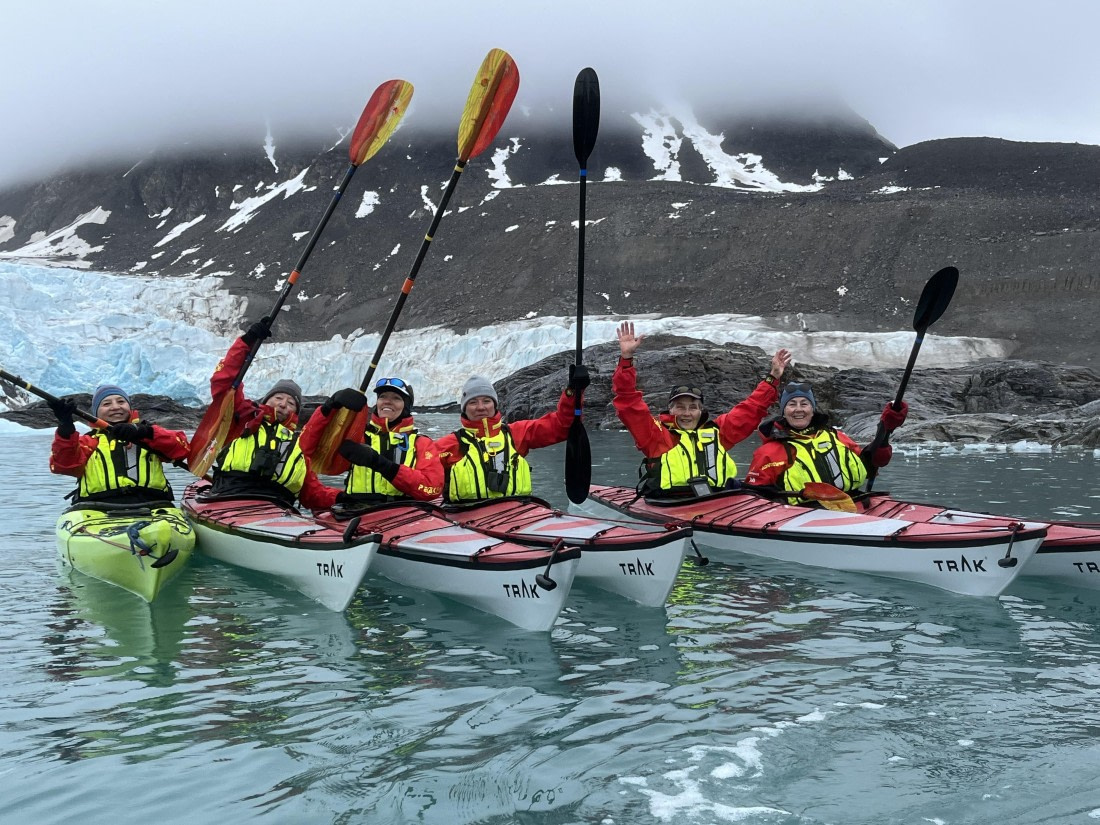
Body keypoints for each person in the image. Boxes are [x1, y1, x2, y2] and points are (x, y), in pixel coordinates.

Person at [613, 320, 791, 496]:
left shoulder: (717, 433)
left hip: (717, 501)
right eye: (680, 407)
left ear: (700, 411)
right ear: (670, 410)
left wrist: (773, 377)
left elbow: (751, 409)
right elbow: (628, 402)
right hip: (671, 503)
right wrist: (626, 360)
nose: (687, 413)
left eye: (693, 407)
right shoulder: (655, 435)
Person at [202, 317, 337, 510]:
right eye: (278, 398)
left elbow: (313, 494)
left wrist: (347, 498)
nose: (283, 404)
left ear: (296, 412)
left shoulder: (297, 447)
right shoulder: (243, 418)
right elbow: (224, 382)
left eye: (291, 403)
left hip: (275, 507)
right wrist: (246, 342)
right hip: (229, 497)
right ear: (266, 400)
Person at [434, 369, 588, 503]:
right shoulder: (448, 445)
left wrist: (573, 392)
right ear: (464, 408)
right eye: (473, 402)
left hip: (515, 513)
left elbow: (563, 426)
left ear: (494, 405)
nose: (481, 407)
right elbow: (424, 476)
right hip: (465, 515)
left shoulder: (517, 433)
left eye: (486, 401)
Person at [744, 381, 907, 503]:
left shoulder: (836, 437)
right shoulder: (769, 452)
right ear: (783, 412)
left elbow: (871, 465)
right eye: (791, 404)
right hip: (800, 515)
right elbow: (756, 498)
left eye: (804, 404)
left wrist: (885, 429)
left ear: (812, 410)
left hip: (851, 505)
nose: (798, 409)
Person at [299, 377, 443, 505]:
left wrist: (382, 465)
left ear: (406, 406)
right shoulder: (357, 436)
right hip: (358, 511)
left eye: (396, 398)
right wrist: (328, 408)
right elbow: (305, 448)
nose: (387, 401)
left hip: (403, 512)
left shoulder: (421, 443)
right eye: (383, 396)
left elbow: (431, 488)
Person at [48, 384, 190, 506]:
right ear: (96, 412)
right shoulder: (88, 442)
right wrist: (65, 428)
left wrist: (144, 432)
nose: (115, 407)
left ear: (129, 406)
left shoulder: (148, 435)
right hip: (96, 507)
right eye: (106, 404)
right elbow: (64, 466)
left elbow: (182, 449)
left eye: (121, 402)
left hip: (153, 504)